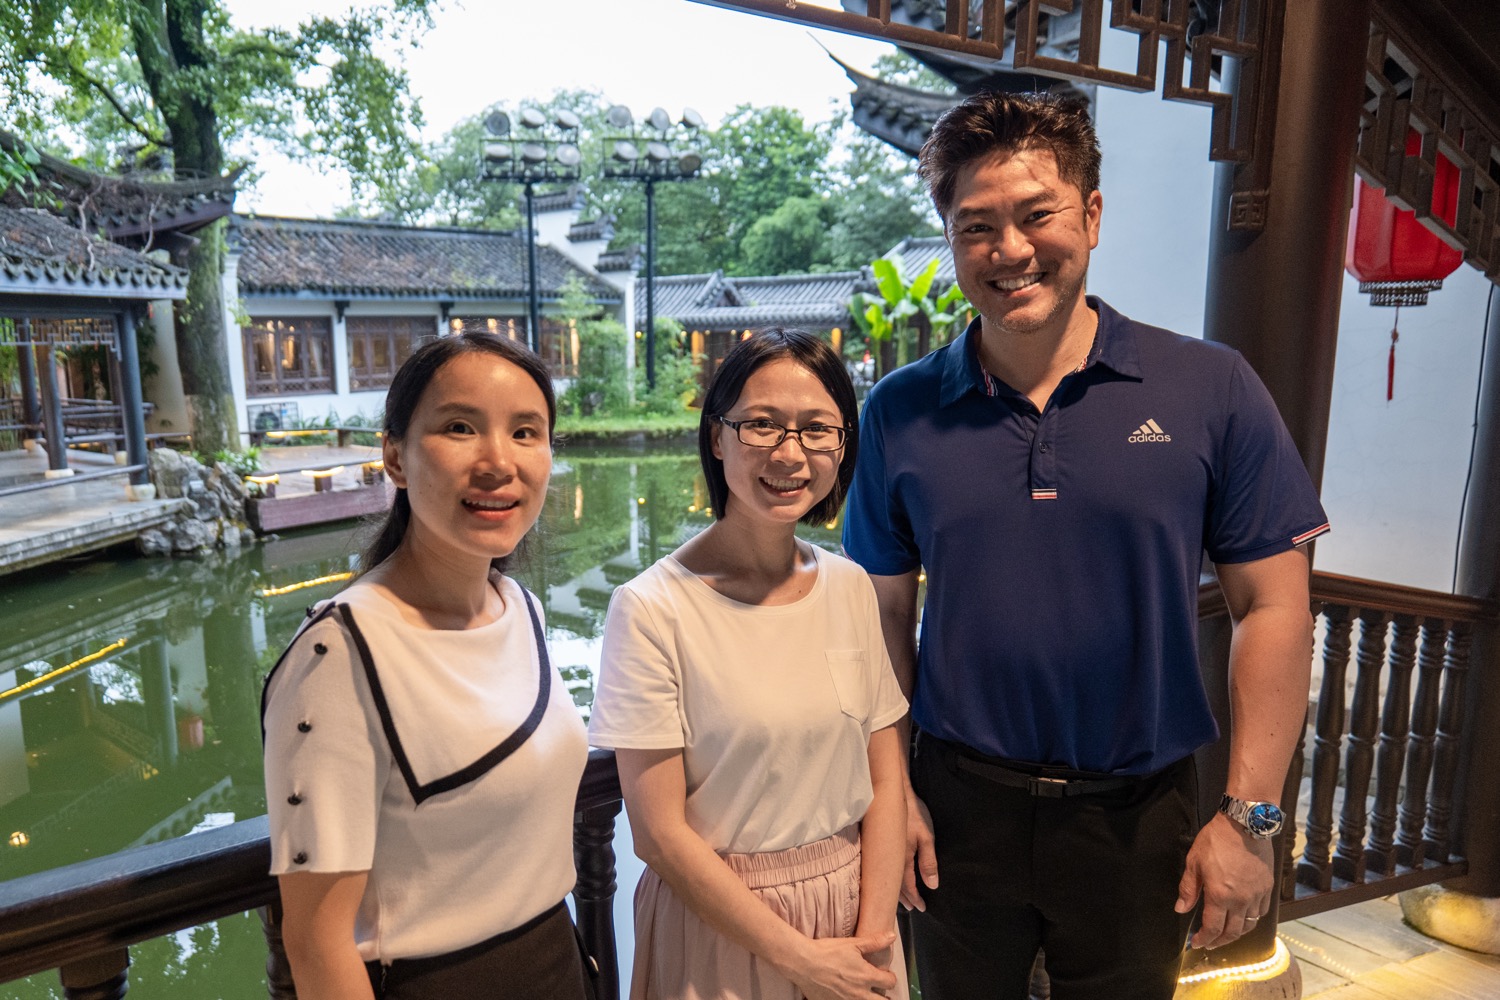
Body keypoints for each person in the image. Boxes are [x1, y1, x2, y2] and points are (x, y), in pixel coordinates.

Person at [842, 91, 1330, 1000]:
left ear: (1092, 215)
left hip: (1140, 812)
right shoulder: (900, 410)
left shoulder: (1207, 387)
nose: (1010, 250)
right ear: (951, 239)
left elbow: (1276, 606)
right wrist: (889, 794)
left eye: (1037, 215)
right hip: (956, 808)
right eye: (976, 225)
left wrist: (1250, 817)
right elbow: (880, 613)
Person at [261, 332, 593, 1000]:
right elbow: (316, 942)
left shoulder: (520, 607)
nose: (500, 462)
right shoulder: (340, 652)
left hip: (556, 958)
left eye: (526, 432)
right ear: (396, 456)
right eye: (460, 428)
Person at [588, 328, 908, 1000]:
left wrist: (873, 938)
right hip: (721, 927)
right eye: (761, 424)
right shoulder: (650, 609)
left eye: (817, 429)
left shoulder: (849, 585)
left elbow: (884, 779)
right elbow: (658, 835)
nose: (790, 453)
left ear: (842, 445)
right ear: (716, 436)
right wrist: (801, 959)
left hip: (854, 917)